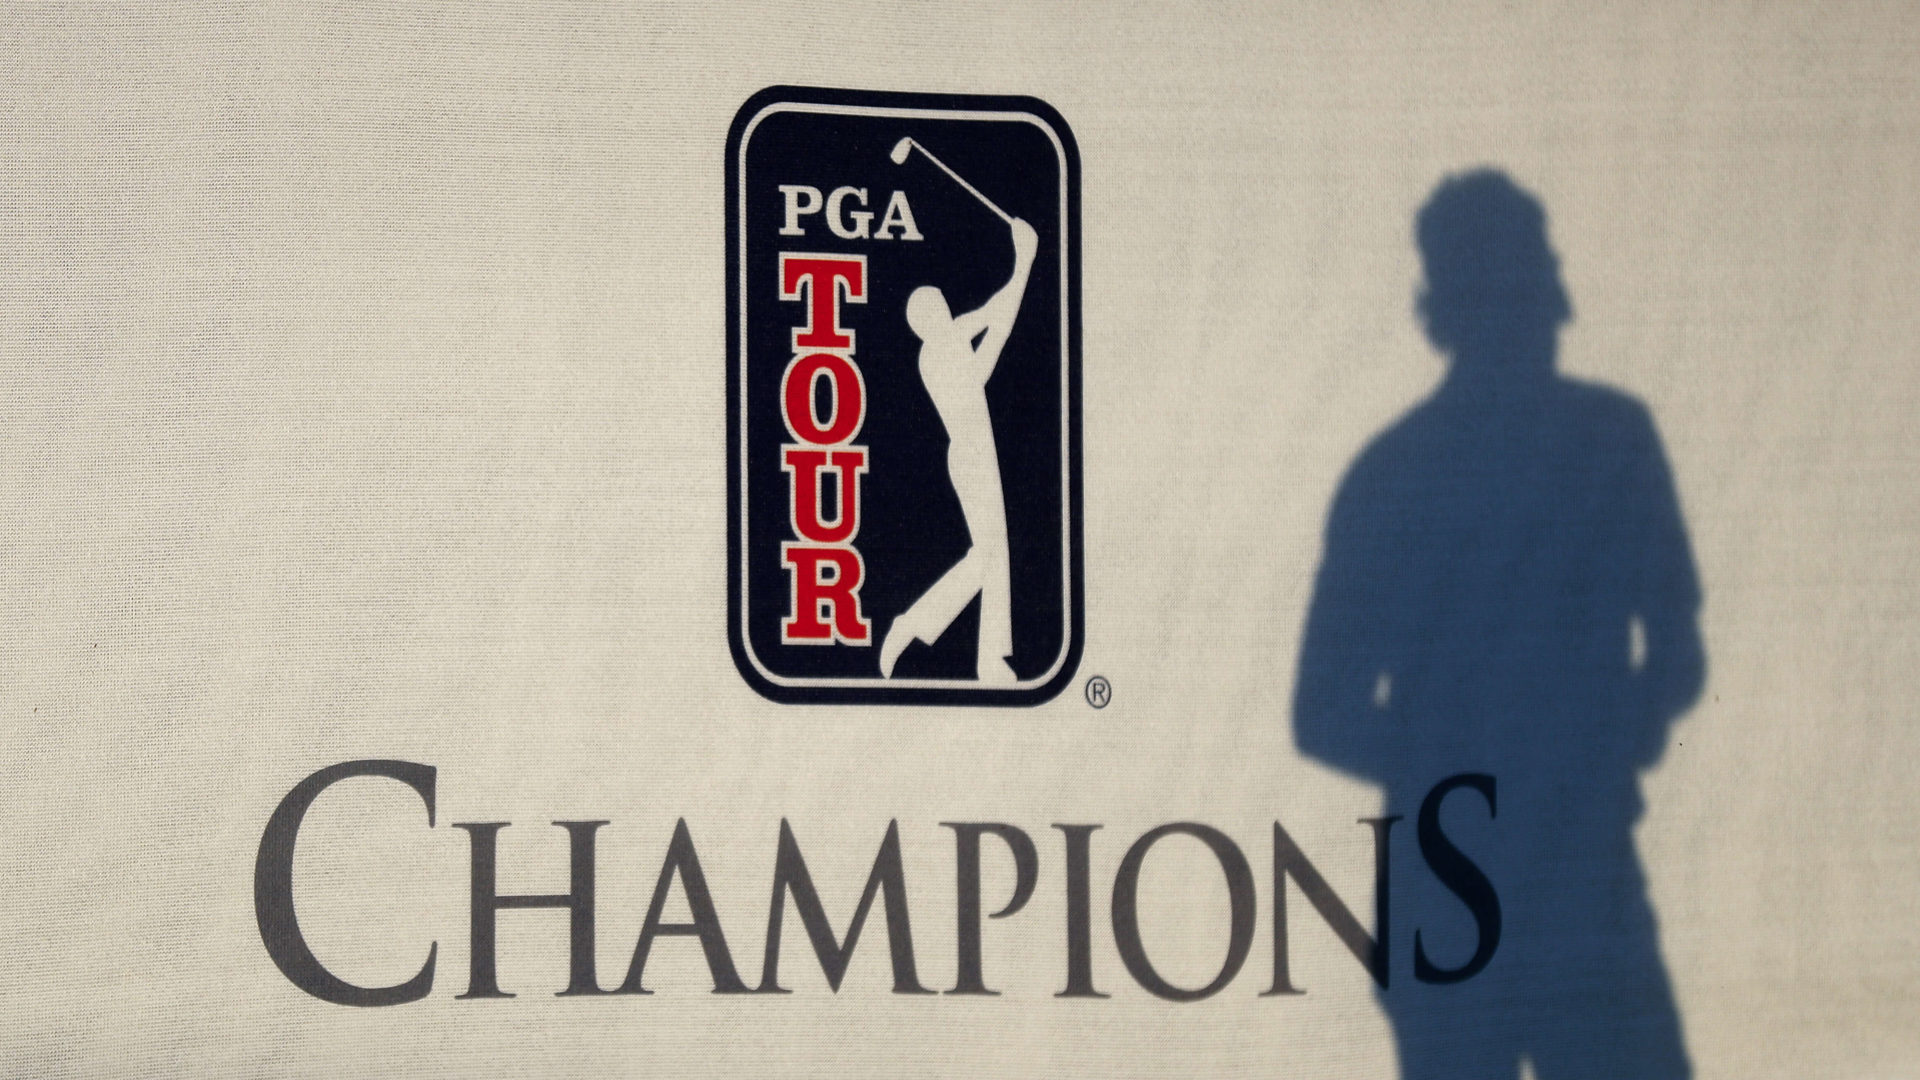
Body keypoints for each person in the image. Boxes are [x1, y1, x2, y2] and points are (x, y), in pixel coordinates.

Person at [1294, 170, 1704, 1078]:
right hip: (1547, 893)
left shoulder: (1392, 472)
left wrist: (1463, 759)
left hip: (1476, 900)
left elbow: (1323, 713)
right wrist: (1571, 745)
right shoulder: (1610, 440)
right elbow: (1677, 648)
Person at [879, 216, 1039, 683]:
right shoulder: (938, 353)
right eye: (936, 307)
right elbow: (993, 314)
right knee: (985, 558)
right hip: (969, 457)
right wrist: (1023, 259)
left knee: (995, 555)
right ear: (926, 323)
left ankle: (990, 660)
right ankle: (913, 624)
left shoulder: (952, 352)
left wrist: (1022, 264)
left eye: (943, 302)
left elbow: (998, 329)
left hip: (975, 455)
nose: (945, 308)